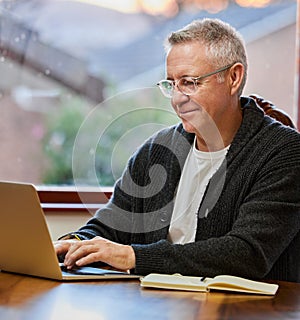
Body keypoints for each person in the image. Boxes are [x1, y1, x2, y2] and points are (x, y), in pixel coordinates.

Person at [54, 18, 300, 282]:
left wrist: (132, 257)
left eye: (190, 82)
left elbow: (246, 253)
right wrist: (74, 243)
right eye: (172, 84)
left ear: (233, 77)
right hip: (159, 304)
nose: (177, 99)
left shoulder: (284, 152)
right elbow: (110, 226)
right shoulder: (156, 150)